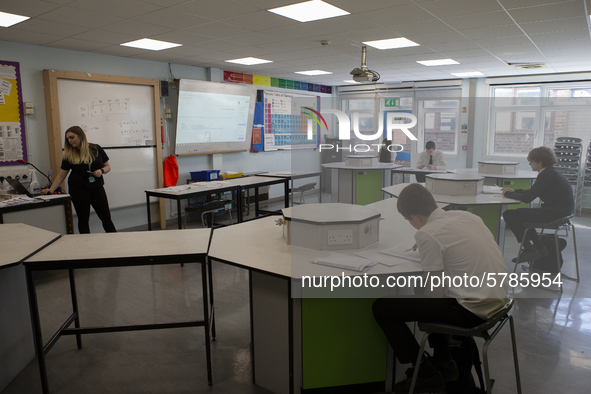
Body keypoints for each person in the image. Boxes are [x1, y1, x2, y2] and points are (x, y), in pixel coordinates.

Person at [372, 183, 508, 393]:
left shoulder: (428, 234)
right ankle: (444, 359)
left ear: (414, 218)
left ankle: (426, 374)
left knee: (383, 308)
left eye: (409, 220)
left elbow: (434, 294)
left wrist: (428, 241)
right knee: (423, 291)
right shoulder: (467, 217)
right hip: (499, 301)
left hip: (472, 311)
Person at [502, 146, 573, 262]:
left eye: (531, 161)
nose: (529, 164)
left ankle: (530, 250)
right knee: (520, 214)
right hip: (562, 214)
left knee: (510, 215)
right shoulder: (551, 173)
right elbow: (534, 191)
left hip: (553, 215)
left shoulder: (546, 175)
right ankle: (539, 248)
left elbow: (527, 198)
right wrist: (515, 191)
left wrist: (508, 195)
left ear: (540, 162)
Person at [43, 126, 116, 234]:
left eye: (72, 137)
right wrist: (51, 189)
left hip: (97, 188)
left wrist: (101, 171)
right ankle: (85, 246)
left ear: (80, 136)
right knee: (83, 219)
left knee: (106, 218)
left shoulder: (96, 148)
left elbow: (108, 167)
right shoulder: (69, 154)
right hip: (78, 190)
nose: (70, 141)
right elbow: (61, 175)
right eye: (67, 139)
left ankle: (116, 242)